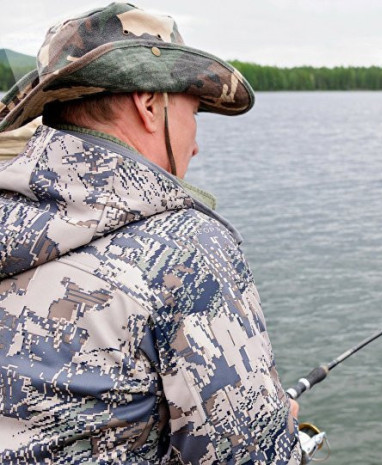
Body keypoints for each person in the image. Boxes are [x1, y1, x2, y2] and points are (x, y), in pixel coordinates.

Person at [0, 3, 300, 463]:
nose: (196, 142)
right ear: (148, 104)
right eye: (193, 112)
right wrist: (276, 425)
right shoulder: (186, 251)